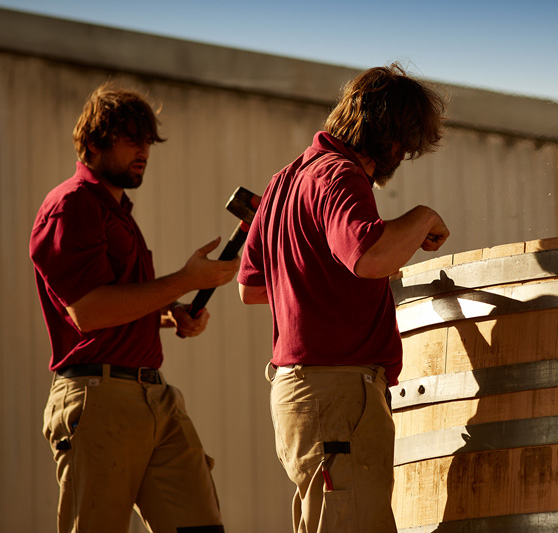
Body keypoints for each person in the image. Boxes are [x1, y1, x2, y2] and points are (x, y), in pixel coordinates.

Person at [237, 63, 449, 532]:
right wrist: (422, 217)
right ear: (389, 136)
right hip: (336, 396)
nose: (401, 156)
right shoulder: (340, 174)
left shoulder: (285, 180)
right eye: (404, 144)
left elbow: (251, 287)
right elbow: (369, 256)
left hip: (301, 395)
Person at [29, 82, 239, 533]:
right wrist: (186, 280)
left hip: (154, 396)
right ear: (91, 144)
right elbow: (87, 312)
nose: (143, 150)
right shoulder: (71, 206)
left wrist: (172, 312)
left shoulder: (115, 210)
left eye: (146, 140)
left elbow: (119, 301)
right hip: (97, 397)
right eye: (130, 139)